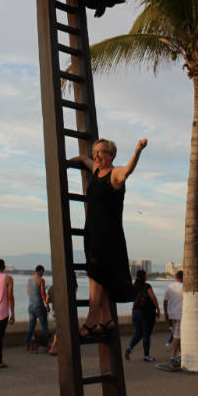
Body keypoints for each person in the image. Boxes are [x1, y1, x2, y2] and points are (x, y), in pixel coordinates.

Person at [67, 137, 148, 336]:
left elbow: (128, 170)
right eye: (95, 151)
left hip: (108, 236)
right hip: (92, 232)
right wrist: (69, 162)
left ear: (111, 154)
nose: (97, 155)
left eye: (101, 151)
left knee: (97, 279)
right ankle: (106, 319)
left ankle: (91, 321)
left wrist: (137, 151)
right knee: (96, 277)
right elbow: (85, 160)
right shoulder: (95, 169)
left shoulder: (115, 174)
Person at [125, 269, 160, 362]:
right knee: (146, 335)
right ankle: (146, 356)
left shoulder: (134, 286)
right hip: (146, 313)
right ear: (144, 276)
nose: (147, 276)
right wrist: (158, 309)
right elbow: (153, 297)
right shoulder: (147, 286)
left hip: (135, 312)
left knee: (138, 333)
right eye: (146, 275)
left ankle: (129, 348)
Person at [26, 265, 49, 349]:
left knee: (31, 326)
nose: (43, 274)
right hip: (39, 305)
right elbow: (43, 294)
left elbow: (28, 292)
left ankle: (28, 344)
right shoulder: (41, 280)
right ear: (40, 271)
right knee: (44, 326)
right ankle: (45, 344)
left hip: (31, 306)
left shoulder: (29, 280)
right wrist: (47, 304)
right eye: (43, 272)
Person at [163, 270, 183, 364]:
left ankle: (180, 355)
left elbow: (165, 301)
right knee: (177, 336)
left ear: (176, 277)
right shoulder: (184, 287)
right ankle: (173, 355)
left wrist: (166, 313)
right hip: (180, 315)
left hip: (171, 315)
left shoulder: (169, 287)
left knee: (176, 335)